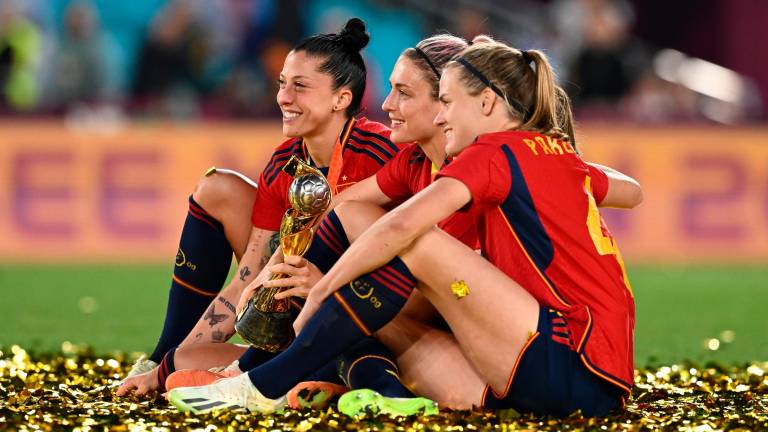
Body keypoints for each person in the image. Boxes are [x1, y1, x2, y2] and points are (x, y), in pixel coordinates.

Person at [167, 36, 641, 417]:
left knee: (410, 240)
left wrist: (323, 288)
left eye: (448, 102)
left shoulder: (492, 153)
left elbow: (401, 227)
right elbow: (632, 191)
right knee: (371, 268)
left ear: (490, 104)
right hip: (587, 376)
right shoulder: (544, 152)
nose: (441, 114)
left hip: (564, 357)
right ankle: (371, 389)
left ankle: (262, 381)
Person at [118, 18, 403, 397]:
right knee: (179, 366)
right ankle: (283, 375)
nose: (284, 97)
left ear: (342, 98)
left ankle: (328, 380)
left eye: (300, 86)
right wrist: (165, 363)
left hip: (370, 315)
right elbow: (251, 277)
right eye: (282, 83)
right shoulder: (283, 162)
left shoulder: (382, 152)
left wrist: (325, 286)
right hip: (299, 320)